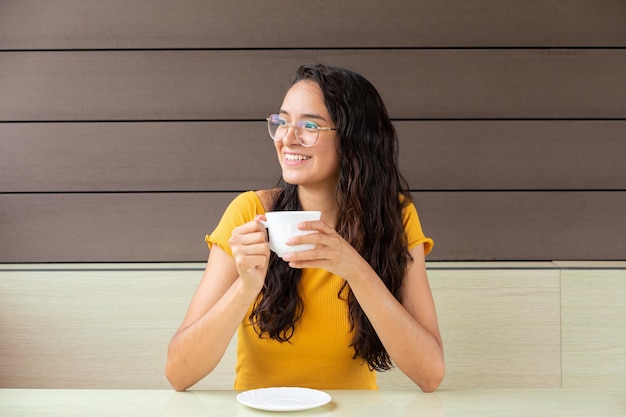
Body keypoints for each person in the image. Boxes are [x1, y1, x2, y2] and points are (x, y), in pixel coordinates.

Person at [165, 63, 445, 392]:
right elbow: (179, 373)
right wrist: (245, 288)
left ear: (353, 140)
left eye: (309, 125)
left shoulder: (395, 218)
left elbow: (430, 374)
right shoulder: (251, 212)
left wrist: (355, 269)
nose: (287, 138)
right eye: (282, 122)